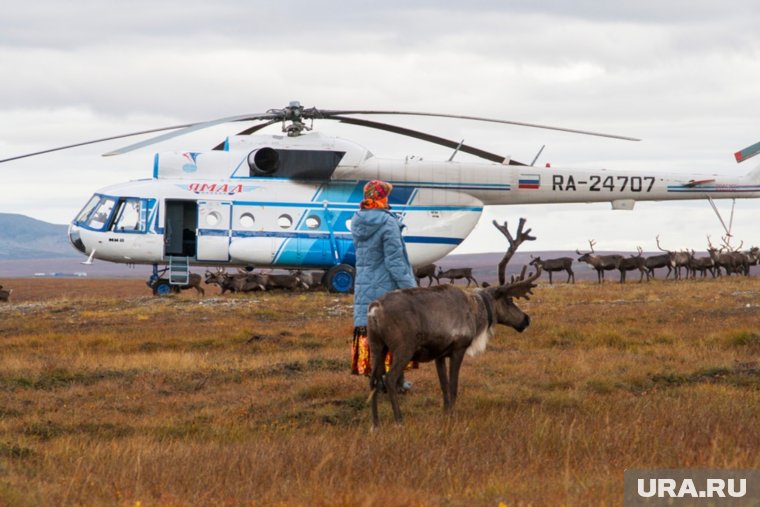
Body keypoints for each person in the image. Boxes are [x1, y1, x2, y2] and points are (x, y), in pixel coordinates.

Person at [350, 180, 418, 386]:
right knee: (394, 334)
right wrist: (411, 289)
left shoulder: (357, 220)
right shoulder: (387, 222)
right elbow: (395, 261)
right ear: (382, 197)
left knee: (372, 330)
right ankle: (396, 381)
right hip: (386, 287)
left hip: (364, 284)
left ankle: (376, 379)